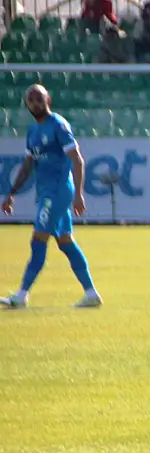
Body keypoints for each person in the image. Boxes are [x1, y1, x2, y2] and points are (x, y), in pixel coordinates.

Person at [1, 85, 101, 310]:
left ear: (48, 99)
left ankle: (21, 294)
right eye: (30, 99)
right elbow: (28, 166)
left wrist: (79, 195)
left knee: (38, 240)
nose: (35, 102)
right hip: (47, 192)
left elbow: (77, 159)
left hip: (57, 191)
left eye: (39, 98)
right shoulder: (32, 131)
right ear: (26, 104)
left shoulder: (58, 125)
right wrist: (11, 194)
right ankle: (91, 293)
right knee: (65, 242)